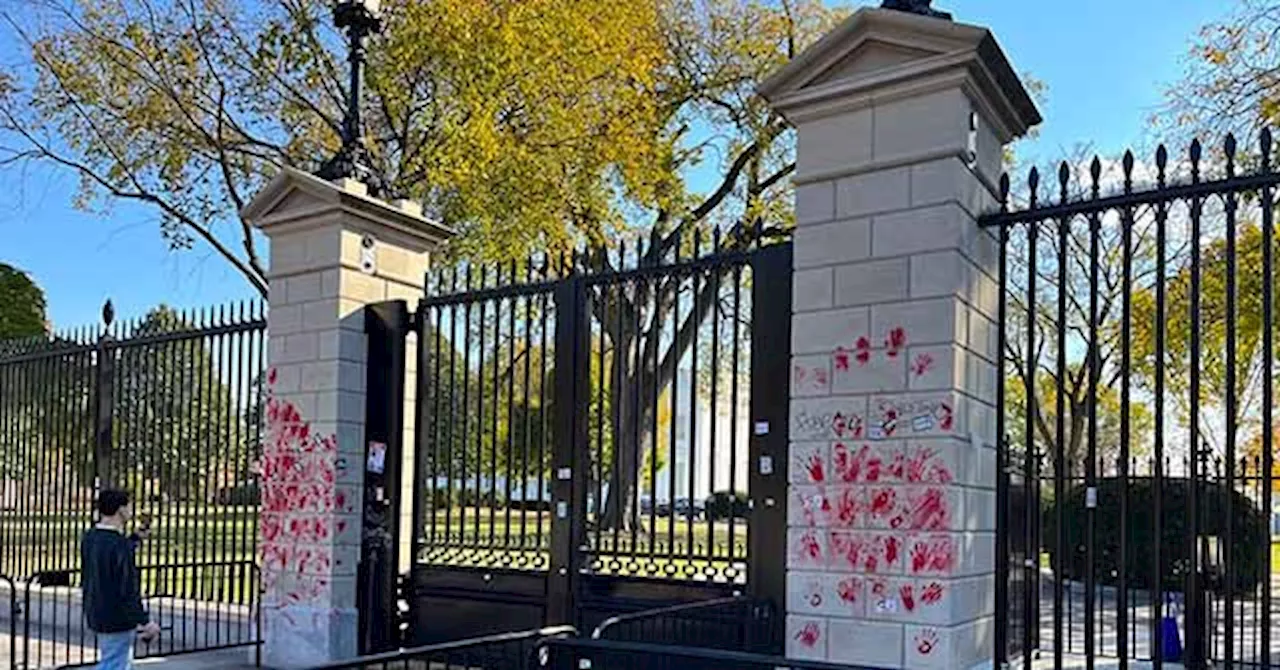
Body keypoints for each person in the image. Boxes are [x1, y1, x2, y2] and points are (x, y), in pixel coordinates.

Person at [81, 489, 160, 670]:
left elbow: (107, 560)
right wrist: (145, 621)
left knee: (112, 660)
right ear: (121, 509)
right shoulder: (119, 545)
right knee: (114, 664)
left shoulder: (90, 537)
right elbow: (127, 589)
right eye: (129, 505)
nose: (131, 510)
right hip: (117, 617)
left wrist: (134, 539)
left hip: (96, 610)